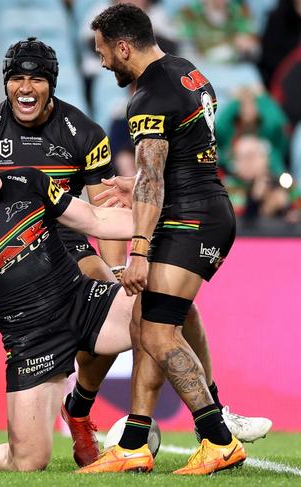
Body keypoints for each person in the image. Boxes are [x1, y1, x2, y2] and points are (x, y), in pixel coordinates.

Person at [0, 36, 271, 468]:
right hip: (4, 250)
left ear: (52, 84)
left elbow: (101, 214)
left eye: (35, 78)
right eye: (16, 77)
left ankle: (88, 411)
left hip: (71, 242)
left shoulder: (88, 131)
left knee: (148, 310)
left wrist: (124, 264)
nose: (25, 86)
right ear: (5, 83)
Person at [80, 3, 251, 474]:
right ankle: (134, 440)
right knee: (143, 321)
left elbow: (153, 178)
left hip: (189, 219)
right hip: (203, 207)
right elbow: (180, 160)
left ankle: (218, 438)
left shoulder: (148, 95)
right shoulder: (186, 71)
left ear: (122, 46)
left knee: (158, 332)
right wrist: (128, 185)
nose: (101, 63)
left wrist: (137, 250)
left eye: (102, 53)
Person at [0, 119, 139, 472]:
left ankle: (210, 427)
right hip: (31, 342)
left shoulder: (28, 180)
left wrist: (165, 221)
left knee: (166, 310)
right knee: (27, 462)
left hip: (81, 302)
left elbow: (97, 220)